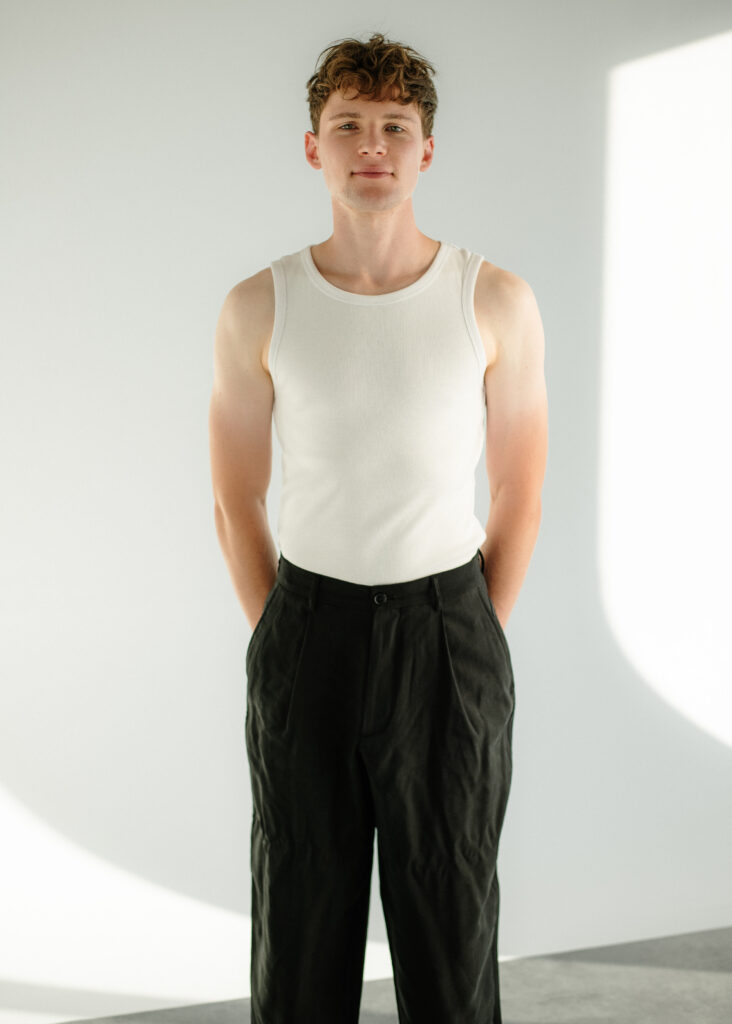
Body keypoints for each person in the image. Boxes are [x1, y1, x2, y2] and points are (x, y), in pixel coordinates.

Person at [208, 30, 547, 1024]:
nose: (372, 146)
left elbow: (519, 490)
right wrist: (283, 635)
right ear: (312, 146)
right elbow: (236, 497)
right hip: (308, 627)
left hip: (448, 629)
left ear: (425, 150)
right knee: (300, 927)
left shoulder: (493, 299)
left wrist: (468, 635)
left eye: (395, 127)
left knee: (452, 925)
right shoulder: (258, 306)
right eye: (348, 124)